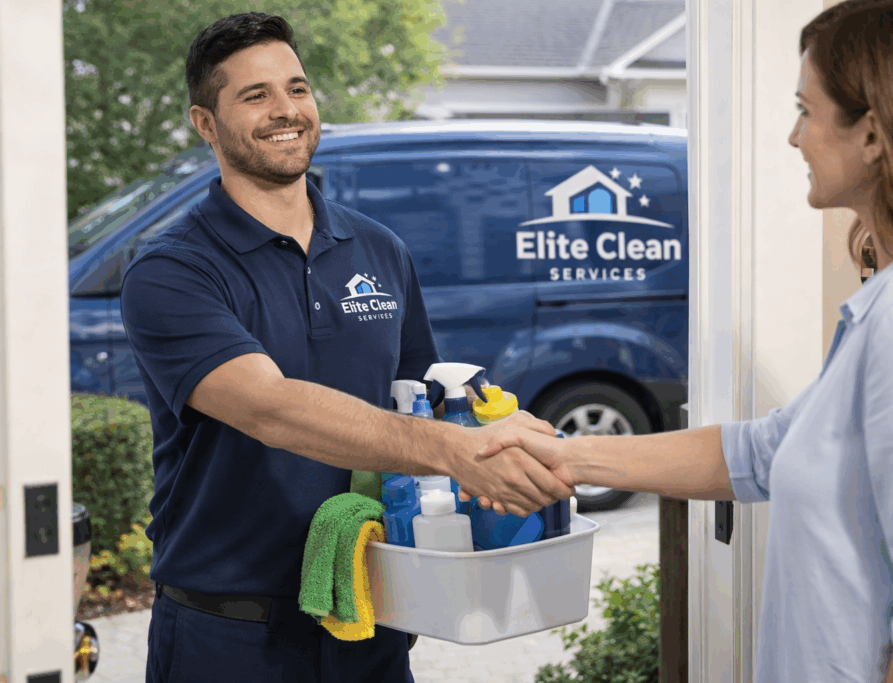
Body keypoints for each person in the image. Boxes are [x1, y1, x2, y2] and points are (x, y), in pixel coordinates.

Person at [467, 0, 893, 681]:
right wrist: (564, 456)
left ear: (873, 134)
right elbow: (761, 453)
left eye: (806, 110)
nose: (795, 137)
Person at [121, 12, 571, 683]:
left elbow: (423, 403)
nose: (286, 111)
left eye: (297, 89)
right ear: (205, 124)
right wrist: (453, 450)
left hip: (371, 620)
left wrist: (497, 443)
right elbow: (268, 408)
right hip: (228, 635)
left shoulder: (378, 248)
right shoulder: (171, 269)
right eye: (255, 95)